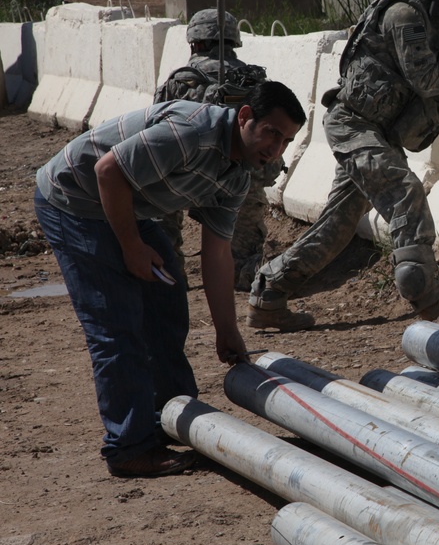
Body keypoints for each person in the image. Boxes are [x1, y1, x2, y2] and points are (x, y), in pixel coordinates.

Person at [34, 82, 307, 478]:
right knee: (116, 326)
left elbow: (216, 255)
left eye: (287, 140)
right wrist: (130, 246)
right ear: (245, 117)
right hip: (74, 198)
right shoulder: (193, 133)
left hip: (126, 203)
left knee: (167, 299)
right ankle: (129, 447)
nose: (275, 148)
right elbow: (107, 170)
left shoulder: (236, 175)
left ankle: (171, 415)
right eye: (272, 132)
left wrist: (227, 330)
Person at [246, 0, 439, 333]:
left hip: (375, 129)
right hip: (355, 125)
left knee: (338, 225)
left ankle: (269, 291)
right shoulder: (404, 13)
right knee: (405, 192)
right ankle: (432, 303)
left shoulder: (432, 8)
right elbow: (429, 79)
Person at [154, 8, 280, 291]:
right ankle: (246, 276)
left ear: (195, 43)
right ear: (233, 42)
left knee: (159, 211)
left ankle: (170, 275)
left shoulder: (178, 81)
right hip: (240, 182)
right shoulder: (255, 81)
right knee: (245, 249)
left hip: (185, 181)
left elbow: (155, 134)